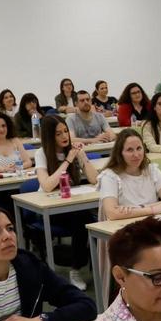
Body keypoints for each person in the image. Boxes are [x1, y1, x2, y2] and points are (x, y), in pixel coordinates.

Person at [36, 115, 99, 289]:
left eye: (65, 131)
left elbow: (94, 179)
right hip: (49, 209)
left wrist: (82, 156)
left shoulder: (73, 149)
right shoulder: (41, 153)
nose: (64, 136)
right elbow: (48, 186)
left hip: (74, 204)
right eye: (58, 134)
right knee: (82, 219)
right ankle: (76, 270)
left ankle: (99, 264)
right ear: (49, 136)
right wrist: (68, 159)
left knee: (94, 214)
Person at [99, 129, 161, 220]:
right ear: (120, 153)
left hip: (150, 224)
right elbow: (112, 213)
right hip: (123, 229)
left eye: (139, 148)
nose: (136, 155)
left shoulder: (151, 170)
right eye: (130, 150)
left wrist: (136, 208)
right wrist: (153, 209)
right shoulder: (109, 176)